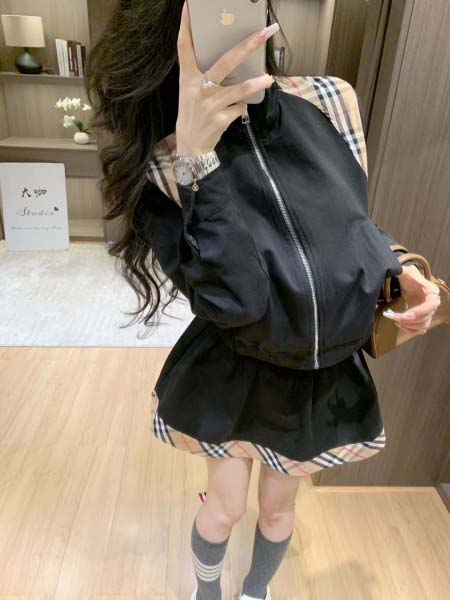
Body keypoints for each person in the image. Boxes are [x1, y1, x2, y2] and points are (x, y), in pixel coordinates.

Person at [85, 2, 440, 599]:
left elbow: (351, 223)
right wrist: (198, 160)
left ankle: (255, 593)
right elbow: (238, 300)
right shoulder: (160, 159)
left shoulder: (329, 99)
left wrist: (401, 267)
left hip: (318, 374)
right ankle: (207, 591)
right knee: (224, 508)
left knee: (277, 511)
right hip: (235, 366)